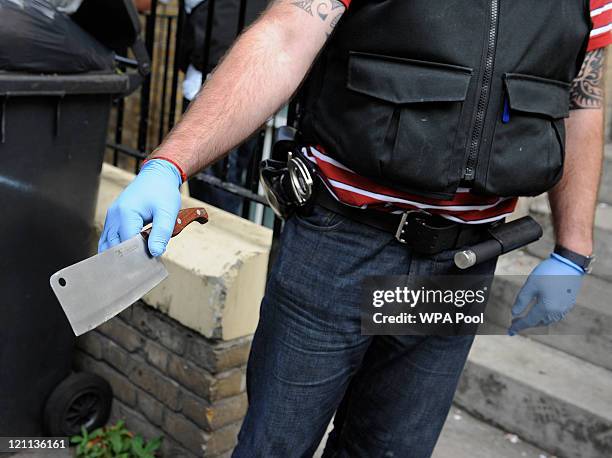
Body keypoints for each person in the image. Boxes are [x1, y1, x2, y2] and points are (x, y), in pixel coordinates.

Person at [99, 1, 611, 456]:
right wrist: (170, 164)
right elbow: (283, 38)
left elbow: (581, 99)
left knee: (394, 447)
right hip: (339, 247)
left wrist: (573, 249)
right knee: (277, 441)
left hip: (460, 266)